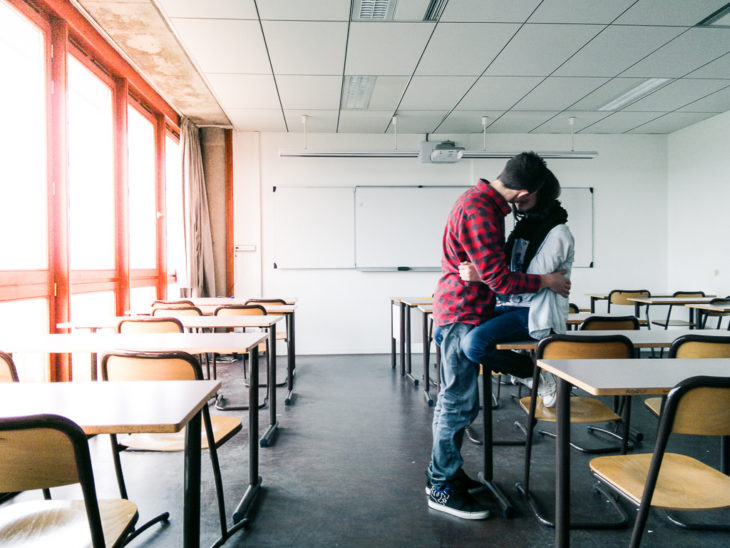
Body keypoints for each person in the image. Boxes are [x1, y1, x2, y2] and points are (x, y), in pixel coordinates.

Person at [426, 152, 570, 520]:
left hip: (465, 311)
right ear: (525, 191)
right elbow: (501, 280)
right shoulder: (482, 212)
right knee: (457, 404)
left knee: (456, 402)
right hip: (462, 313)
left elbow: (490, 273)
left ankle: (446, 476)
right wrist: (546, 281)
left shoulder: (479, 202)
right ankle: (441, 487)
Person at [459, 168, 574, 408]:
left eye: (528, 197)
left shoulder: (558, 232)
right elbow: (506, 268)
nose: (518, 200)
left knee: (474, 345)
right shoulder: (522, 229)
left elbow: (531, 278)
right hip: (511, 305)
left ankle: (537, 375)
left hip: (534, 312)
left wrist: (483, 276)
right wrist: (488, 273)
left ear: (542, 196)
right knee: (460, 326)